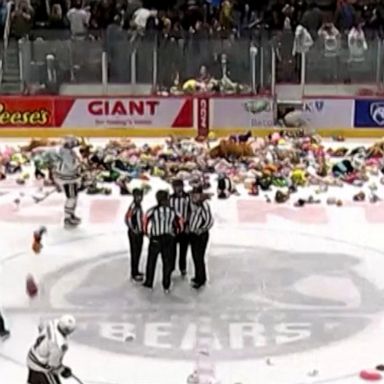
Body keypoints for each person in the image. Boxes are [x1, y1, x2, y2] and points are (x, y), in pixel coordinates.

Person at [143, 190, 182, 293]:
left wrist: (147, 233)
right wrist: (176, 232)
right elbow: (180, 223)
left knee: (154, 262)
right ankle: (165, 284)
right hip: (166, 238)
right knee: (165, 262)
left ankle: (150, 282)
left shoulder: (153, 210)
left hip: (158, 238)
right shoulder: (172, 211)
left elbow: (145, 222)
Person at [27, 314, 76, 384]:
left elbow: (41, 327)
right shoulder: (58, 345)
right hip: (40, 366)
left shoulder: (53, 323)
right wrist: (62, 370)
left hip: (32, 356)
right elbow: (53, 364)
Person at [54, 137, 82, 228]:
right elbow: (71, 166)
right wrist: (79, 165)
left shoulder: (64, 151)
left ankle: (71, 215)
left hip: (66, 178)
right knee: (71, 198)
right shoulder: (67, 154)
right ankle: (68, 218)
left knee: (73, 197)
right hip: (68, 179)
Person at [189, 187, 214, 289]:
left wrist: (202, 229)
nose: (194, 196)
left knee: (199, 257)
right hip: (193, 234)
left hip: (201, 235)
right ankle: (197, 275)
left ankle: (201, 279)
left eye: (196, 194)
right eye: (193, 194)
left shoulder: (205, 206)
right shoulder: (192, 204)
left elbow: (209, 221)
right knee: (195, 256)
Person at [169, 179, 191, 277]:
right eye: (175, 186)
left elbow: (191, 212)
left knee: (183, 250)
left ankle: (183, 267)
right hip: (173, 228)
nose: (177, 188)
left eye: (179, 186)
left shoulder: (188, 198)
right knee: (171, 250)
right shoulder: (169, 198)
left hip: (184, 228)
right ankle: (171, 267)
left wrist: (188, 226)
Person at [125, 188, 145, 282]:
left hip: (139, 233)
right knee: (135, 253)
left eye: (141, 196)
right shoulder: (133, 206)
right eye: (137, 196)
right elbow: (127, 218)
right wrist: (134, 229)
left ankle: (136, 270)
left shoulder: (138, 205)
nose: (139, 198)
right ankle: (134, 273)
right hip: (135, 234)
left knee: (138, 252)